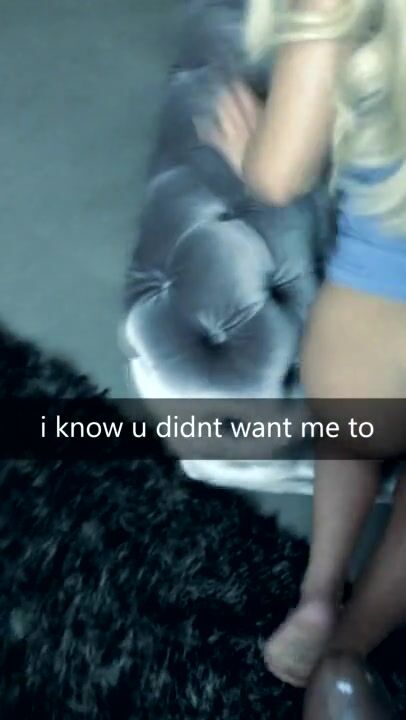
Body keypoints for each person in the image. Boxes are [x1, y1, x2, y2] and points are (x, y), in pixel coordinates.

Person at [197, 0, 406, 689]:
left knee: (349, 439)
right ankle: (351, 647)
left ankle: (319, 596)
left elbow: (279, 176)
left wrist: (248, 152)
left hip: (367, 333)